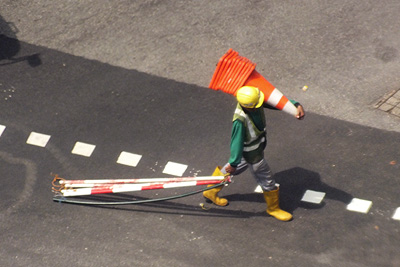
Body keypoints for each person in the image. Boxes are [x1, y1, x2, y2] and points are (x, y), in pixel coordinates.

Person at [203, 85, 305, 221]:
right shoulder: (240, 120)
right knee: (267, 180)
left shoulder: (253, 103)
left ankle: (210, 191)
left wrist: (294, 106)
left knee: (230, 169)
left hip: (254, 149)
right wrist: (234, 162)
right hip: (253, 154)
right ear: (248, 106)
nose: (260, 104)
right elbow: (236, 143)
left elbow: (274, 102)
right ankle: (273, 208)